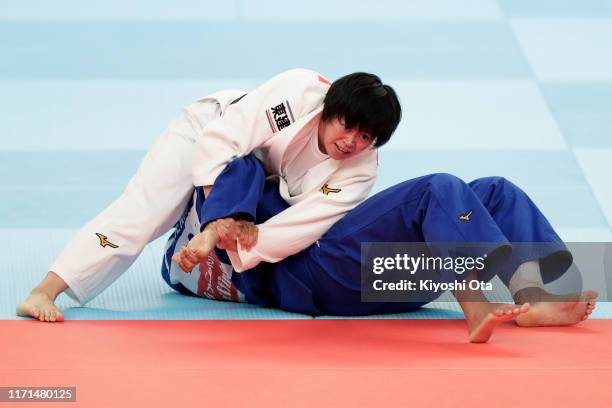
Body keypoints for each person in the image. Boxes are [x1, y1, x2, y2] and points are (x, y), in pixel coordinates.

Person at [16, 68, 402, 322]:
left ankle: (206, 227)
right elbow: (223, 139)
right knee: (146, 214)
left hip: (251, 190)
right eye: (346, 125)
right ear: (329, 109)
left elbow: (305, 223)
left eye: (366, 137)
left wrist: (241, 235)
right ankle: (44, 291)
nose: (351, 141)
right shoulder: (299, 93)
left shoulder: (361, 170)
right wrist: (217, 218)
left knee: (274, 217)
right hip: (209, 132)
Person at [168, 154, 598, 343]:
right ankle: (476, 304)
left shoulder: (181, 265)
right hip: (322, 274)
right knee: (438, 188)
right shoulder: (230, 178)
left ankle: (532, 297)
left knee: (492, 193)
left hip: (384, 278)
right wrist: (213, 230)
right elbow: (232, 183)